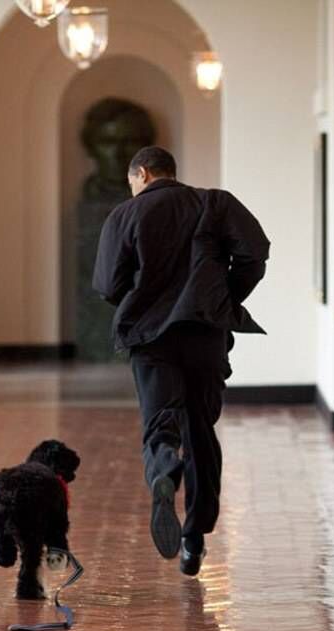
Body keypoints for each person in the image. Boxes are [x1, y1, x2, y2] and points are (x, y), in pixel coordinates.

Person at [92, 146, 270, 576]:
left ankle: (163, 471)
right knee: (200, 429)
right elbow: (255, 252)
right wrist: (221, 295)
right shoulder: (214, 202)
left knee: (161, 422)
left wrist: (140, 299)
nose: (132, 188)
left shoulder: (125, 215)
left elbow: (107, 283)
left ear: (143, 173)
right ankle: (194, 539)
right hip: (204, 332)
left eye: (132, 181)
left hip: (152, 337)